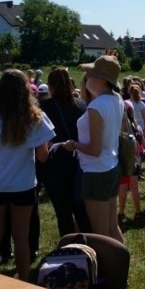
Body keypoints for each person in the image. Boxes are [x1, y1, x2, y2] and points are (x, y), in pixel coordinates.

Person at [0, 69, 54, 281]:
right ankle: (24, 282)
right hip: (23, 184)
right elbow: (43, 157)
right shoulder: (35, 116)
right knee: (21, 237)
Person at [62, 53, 124, 243]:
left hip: (97, 172)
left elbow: (94, 149)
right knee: (112, 227)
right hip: (111, 166)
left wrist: (72, 145)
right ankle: (121, 267)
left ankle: (107, 270)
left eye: (89, 73)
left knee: (99, 234)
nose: (87, 77)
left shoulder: (96, 106)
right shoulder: (117, 99)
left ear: (99, 78)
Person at [39, 67, 90, 237]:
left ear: (51, 87)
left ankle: (68, 244)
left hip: (54, 163)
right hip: (78, 160)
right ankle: (88, 243)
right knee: (80, 208)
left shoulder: (44, 106)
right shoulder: (81, 104)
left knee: (63, 212)